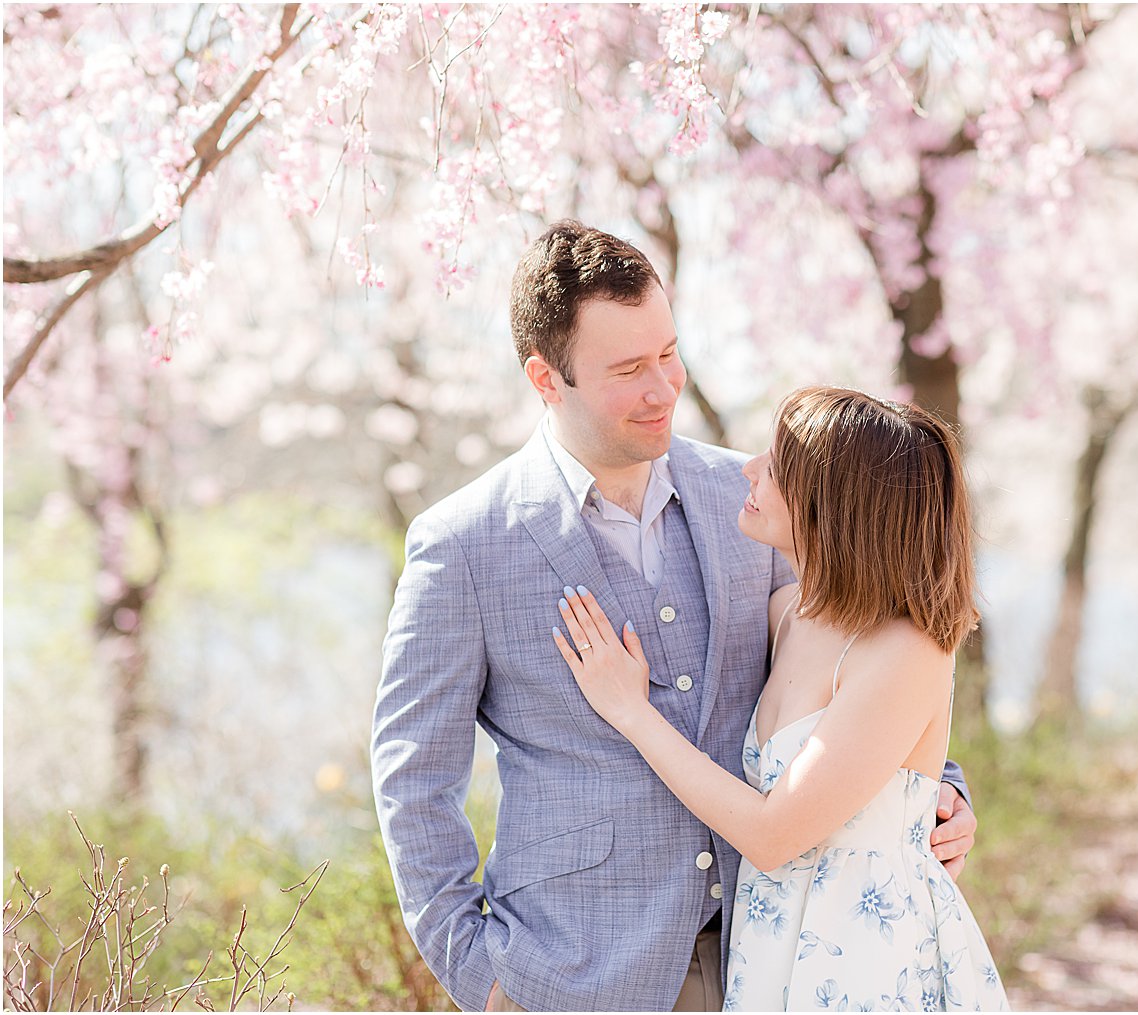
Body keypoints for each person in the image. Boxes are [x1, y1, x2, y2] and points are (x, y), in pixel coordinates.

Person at [371, 221, 980, 1012]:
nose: (665, 387)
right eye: (629, 368)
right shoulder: (464, 546)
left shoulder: (755, 501)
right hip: (575, 977)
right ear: (547, 378)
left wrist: (939, 796)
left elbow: (869, 649)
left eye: (668, 351)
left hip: (777, 962)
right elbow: (413, 777)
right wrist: (479, 977)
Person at [550, 385, 1008, 1012]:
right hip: (772, 950)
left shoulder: (908, 650)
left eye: (777, 466)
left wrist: (632, 712)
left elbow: (771, 834)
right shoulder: (787, 614)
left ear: (837, 504)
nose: (748, 469)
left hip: (867, 961)